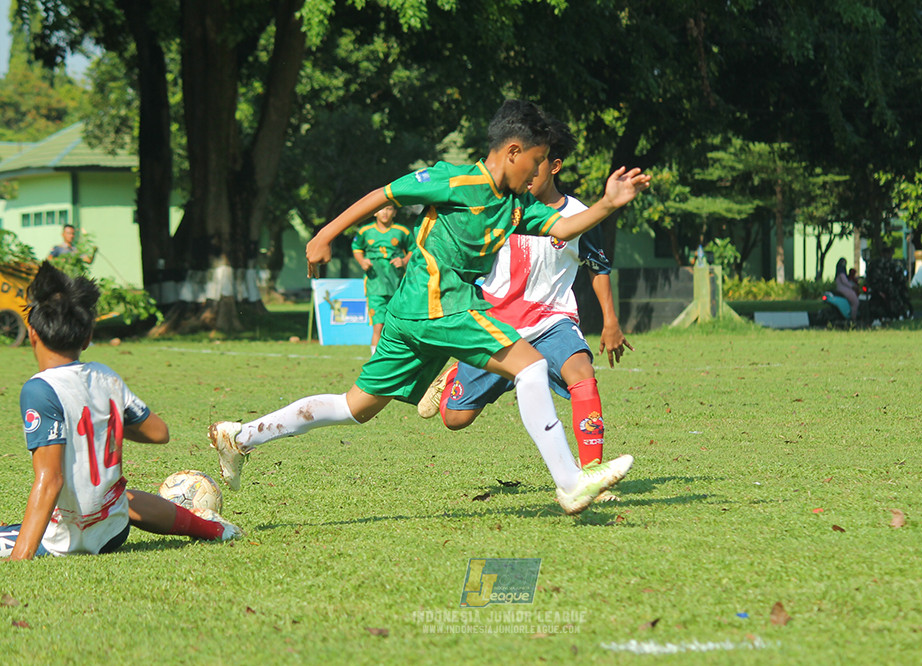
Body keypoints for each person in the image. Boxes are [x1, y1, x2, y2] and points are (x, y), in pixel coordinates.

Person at [208, 100, 650, 515]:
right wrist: (325, 234)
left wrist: (608, 204)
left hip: (413, 315)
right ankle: (570, 482)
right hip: (438, 305)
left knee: (354, 407)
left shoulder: (515, 206)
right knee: (530, 367)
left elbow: (565, 225)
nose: (538, 172)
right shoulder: (453, 179)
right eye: (536, 161)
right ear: (514, 152)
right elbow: (384, 194)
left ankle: (241, 437)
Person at [417, 117, 632, 483]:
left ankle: (592, 474)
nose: (529, 172)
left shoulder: (577, 215)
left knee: (583, 375)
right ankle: (454, 374)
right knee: (455, 418)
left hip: (552, 323)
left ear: (554, 165)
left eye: (538, 164)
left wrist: (610, 322)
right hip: (496, 325)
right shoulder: (501, 207)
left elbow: (598, 266)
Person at [1, 263, 241, 561]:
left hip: (67, 539)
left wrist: (20, 558)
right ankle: (213, 529)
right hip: (114, 530)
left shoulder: (39, 390)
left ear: (32, 334)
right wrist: (101, 420)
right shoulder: (106, 376)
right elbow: (158, 433)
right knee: (120, 498)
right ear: (88, 338)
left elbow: (50, 480)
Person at [351, 203, 416, 354]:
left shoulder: (402, 231)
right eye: (381, 209)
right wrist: (362, 261)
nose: (385, 213)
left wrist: (404, 261)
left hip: (397, 284)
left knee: (397, 325)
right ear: (374, 212)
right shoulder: (365, 231)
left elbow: (413, 249)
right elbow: (356, 248)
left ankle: (397, 357)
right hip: (375, 285)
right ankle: (375, 360)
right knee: (378, 325)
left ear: (394, 213)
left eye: (389, 209)